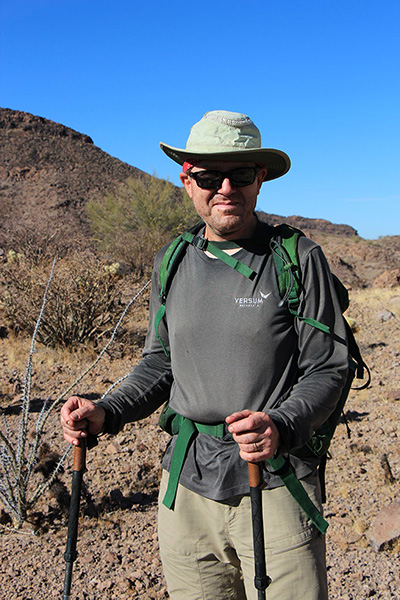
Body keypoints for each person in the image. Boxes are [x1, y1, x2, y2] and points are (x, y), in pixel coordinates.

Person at [61, 110, 349, 600]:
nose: (225, 188)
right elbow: (159, 363)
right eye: (209, 176)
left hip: (275, 480)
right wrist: (105, 412)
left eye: (240, 175)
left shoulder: (297, 258)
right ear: (187, 179)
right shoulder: (172, 260)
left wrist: (278, 425)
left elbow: (328, 367)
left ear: (259, 179)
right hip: (187, 487)